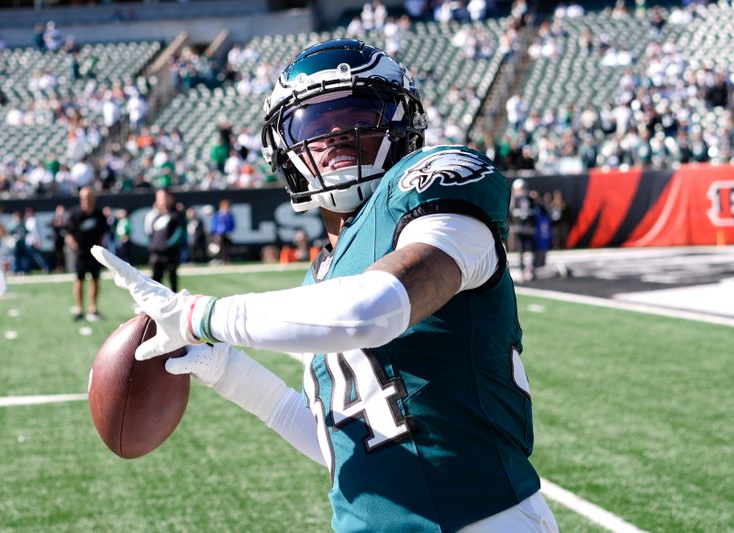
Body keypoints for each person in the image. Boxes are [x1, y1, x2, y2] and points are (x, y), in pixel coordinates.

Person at [93, 39, 557, 532]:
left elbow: (372, 310)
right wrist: (229, 373)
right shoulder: (321, 276)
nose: (334, 135)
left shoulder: (432, 190)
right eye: (313, 126)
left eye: (356, 112)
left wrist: (201, 316)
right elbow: (347, 440)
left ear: (401, 121)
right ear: (285, 149)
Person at [66, 187, 108, 321]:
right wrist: (74, 245)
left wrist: (100, 248)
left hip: (95, 253)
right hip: (80, 253)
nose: (86, 200)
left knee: (95, 280)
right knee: (79, 280)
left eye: (89, 197)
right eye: (84, 198)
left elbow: (104, 233)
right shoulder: (75, 214)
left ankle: (93, 308)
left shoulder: (99, 214)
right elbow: (68, 234)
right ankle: (79, 309)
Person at [143, 189, 185, 292]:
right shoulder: (155, 215)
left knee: (172, 281)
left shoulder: (176, 215)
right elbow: (150, 232)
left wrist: (167, 245)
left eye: (164, 198)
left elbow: (180, 233)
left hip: (170, 255)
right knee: (155, 283)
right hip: (156, 254)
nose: (162, 201)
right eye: (159, 198)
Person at [509, 178, 537, 280]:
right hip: (519, 228)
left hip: (529, 228)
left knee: (532, 249)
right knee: (521, 250)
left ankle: (531, 269)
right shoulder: (513, 199)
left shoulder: (531, 199)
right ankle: (522, 270)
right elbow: (509, 214)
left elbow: (536, 212)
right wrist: (511, 226)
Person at [209, 199, 235, 263]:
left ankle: (226, 259)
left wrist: (230, 230)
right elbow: (214, 224)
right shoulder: (218, 215)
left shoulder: (229, 215)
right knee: (218, 247)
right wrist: (215, 233)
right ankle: (219, 259)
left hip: (226, 233)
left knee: (227, 247)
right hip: (218, 234)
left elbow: (232, 225)